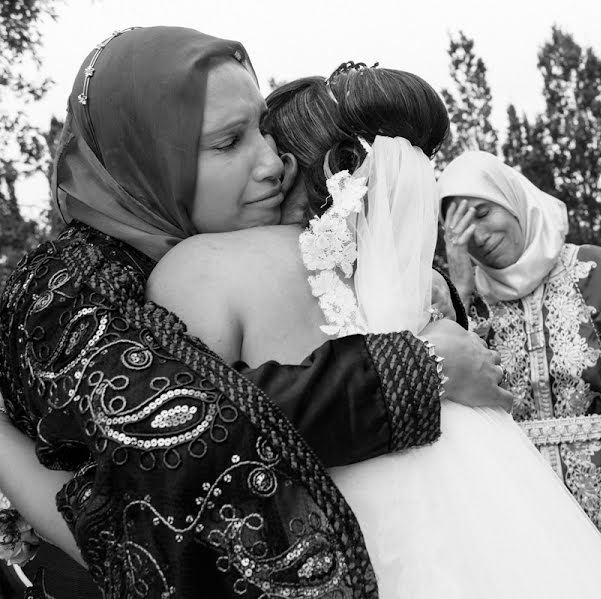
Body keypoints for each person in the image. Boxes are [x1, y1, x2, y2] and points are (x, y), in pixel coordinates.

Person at [0, 27, 509, 599]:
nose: (274, 163)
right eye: (229, 142)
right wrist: (415, 367)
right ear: (142, 160)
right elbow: (181, 444)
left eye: (265, 130)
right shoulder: (67, 287)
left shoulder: (207, 250)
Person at [144, 63, 601, 598]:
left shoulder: (202, 267)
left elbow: (173, 453)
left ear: (289, 164)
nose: (262, 165)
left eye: (261, 145)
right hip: (489, 510)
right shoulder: (406, 284)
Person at [439, 151, 601, 599]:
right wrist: (460, 289)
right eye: (461, 228)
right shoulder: (464, 303)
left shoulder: (595, 269)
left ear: (512, 199)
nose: (478, 234)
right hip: (522, 504)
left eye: (484, 211)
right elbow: (459, 403)